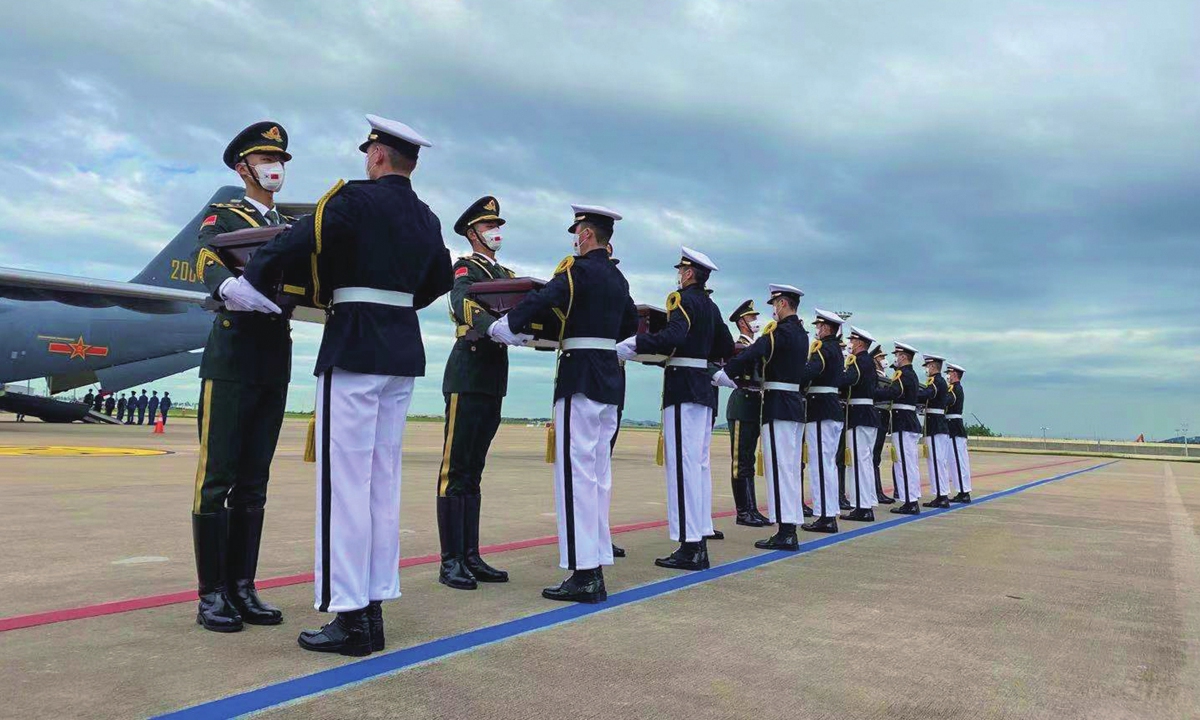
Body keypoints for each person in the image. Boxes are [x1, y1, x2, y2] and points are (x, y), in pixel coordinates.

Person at [244, 114, 453, 655]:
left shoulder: (353, 199)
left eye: (369, 152)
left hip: (356, 343)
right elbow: (439, 281)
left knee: (344, 487)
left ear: (378, 155)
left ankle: (350, 616)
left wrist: (248, 279)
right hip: (402, 349)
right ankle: (373, 606)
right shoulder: (428, 219)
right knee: (382, 485)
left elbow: (294, 243)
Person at [489, 204, 638, 603]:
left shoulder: (577, 271)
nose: (575, 239)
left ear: (586, 235)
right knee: (598, 476)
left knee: (575, 476)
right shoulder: (619, 279)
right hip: (609, 379)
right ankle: (595, 561)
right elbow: (628, 325)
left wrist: (505, 326)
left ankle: (584, 572)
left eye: (577, 232)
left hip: (580, 377)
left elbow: (541, 300)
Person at [188, 121, 296, 634]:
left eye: (281, 159)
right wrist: (229, 287)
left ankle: (243, 587)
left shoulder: (293, 225)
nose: (276, 167)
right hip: (231, 356)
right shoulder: (225, 213)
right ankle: (211, 594)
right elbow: (206, 252)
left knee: (254, 481)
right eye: (266, 158)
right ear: (243, 167)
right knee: (218, 479)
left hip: (274, 357)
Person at [619, 247, 733, 571]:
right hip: (705, 391)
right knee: (696, 467)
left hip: (683, 388)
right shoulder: (711, 306)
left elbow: (674, 335)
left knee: (683, 469)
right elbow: (725, 346)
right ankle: (698, 536)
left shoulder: (681, 300)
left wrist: (638, 344)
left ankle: (690, 546)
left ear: (687, 273)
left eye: (680, 271)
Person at [436, 196, 516, 590]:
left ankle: (471, 554)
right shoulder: (467, 267)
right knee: (456, 468)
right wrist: (492, 326)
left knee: (474, 470)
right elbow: (460, 302)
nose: (495, 231)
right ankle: (450, 560)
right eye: (488, 226)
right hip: (467, 368)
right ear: (472, 233)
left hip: (492, 373)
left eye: (496, 225)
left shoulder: (506, 272)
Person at [713, 284, 808, 551]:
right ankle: (788, 526)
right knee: (788, 469)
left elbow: (755, 352)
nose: (772, 311)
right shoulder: (801, 333)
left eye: (775, 304)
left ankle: (786, 530)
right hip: (793, 406)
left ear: (783, 304)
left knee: (779, 470)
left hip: (777, 405)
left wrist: (724, 374)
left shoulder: (779, 333)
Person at [724, 299, 771, 527]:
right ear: (742, 322)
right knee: (740, 461)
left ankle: (751, 508)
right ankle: (743, 510)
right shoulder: (738, 346)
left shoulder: (756, 344)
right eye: (752, 318)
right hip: (741, 403)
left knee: (749, 460)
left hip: (755, 404)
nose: (756, 321)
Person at [799, 309, 845, 534]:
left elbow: (809, 372)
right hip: (831, 409)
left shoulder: (824, 349)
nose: (817, 330)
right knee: (827, 464)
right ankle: (828, 512)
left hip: (821, 410)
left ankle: (825, 516)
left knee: (821, 465)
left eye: (818, 326)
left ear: (826, 328)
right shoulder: (836, 349)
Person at [837, 327, 879, 522]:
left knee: (859, 462)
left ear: (860, 343)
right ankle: (865, 503)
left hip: (859, 415)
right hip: (867, 415)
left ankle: (862, 507)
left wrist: (834, 376)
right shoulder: (868, 362)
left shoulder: (860, 362)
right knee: (865, 462)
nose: (850, 344)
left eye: (852, 341)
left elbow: (849, 380)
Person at [887, 342, 924, 514]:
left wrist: (873, 392)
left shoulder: (903, 374)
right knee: (909, 463)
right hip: (909, 422)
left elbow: (894, 392)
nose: (896, 359)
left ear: (903, 357)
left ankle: (910, 501)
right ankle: (911, 498)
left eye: (897, 355)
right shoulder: (912, 375)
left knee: (904, 463)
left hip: (903, 423)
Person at [919, 353, 953, 508]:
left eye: (927, 366)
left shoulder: (936, 381)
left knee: (937, 461)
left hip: (935, 425)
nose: (926, 369)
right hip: (939, 424)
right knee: (938, 462)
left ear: (933, 366)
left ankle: (941, 495)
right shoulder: (940, 382)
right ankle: (941, 494)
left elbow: (928, 394)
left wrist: (911, 392)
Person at [869, 345, 895, 504]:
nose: (884, 360)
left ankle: (877, 490)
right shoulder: (875, 376)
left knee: (876, 456)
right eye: (880, 357)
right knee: (873, 456)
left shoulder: (884, 376)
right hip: (877, 415)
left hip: (884, 416)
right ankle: (875, 491)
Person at [945, 363, 972, 503]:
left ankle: (964, 491)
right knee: (955, 461)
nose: (947, 376)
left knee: (958, 460)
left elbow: (946, 401)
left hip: (955, 428)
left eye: (949, 373)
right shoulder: (954, 388)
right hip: (952, 427)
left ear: (954, 374)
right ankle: (961, 490)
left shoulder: (955, 389)